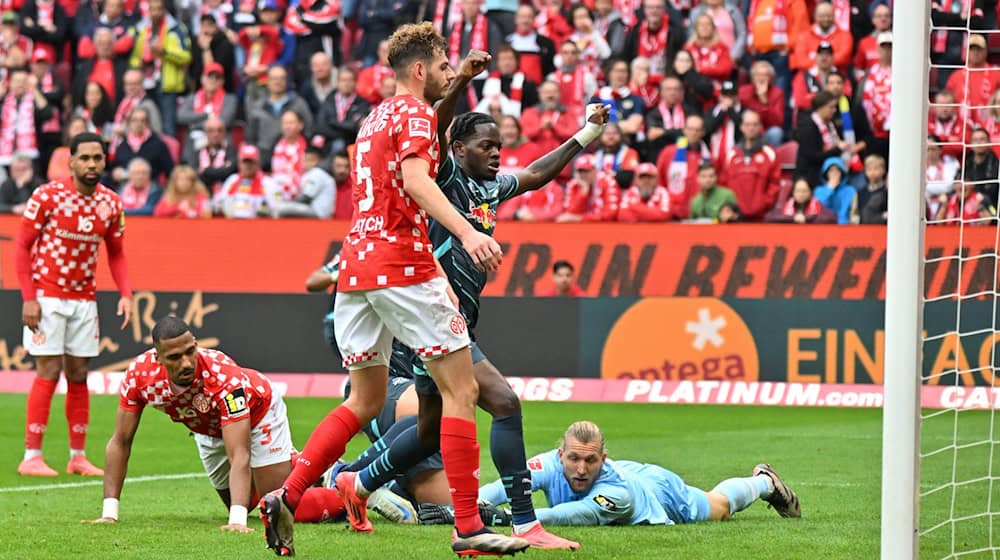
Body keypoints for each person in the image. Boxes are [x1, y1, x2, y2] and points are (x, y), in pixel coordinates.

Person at [325, 49, 609, 552]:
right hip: (428, 319)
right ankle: (525, 523)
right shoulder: (445, 178)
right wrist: (459, 85)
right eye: (486, 145)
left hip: (446, 323)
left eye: (500, 146)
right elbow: (434, 126)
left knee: (432, 431)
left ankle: (357, 482)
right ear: (457, 149)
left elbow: (538, 172)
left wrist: (585, 133)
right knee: (503, 401)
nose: (498, 153)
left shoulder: (488, 187)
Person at [258, 24, 523, 558]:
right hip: (403, 263)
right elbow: (417, 180)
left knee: (365, 399)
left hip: (354, 267)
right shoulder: (419, 115)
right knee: (462, 391)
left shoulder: (373, 117)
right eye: (445, 65)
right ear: (421, 70)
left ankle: (288, 494)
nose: (450, 73)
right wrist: (470, 232)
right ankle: (469, 528)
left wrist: (461, 81)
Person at [84, 316, 346, 529]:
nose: (186, 363)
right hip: (207, 428)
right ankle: (312, 469)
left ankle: (349, 491)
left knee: (276, 504)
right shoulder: (140, 377)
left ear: (196, 344)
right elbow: (120, 441)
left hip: (257, 412)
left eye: (190, 352)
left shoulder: (222, 377)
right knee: (240, 499)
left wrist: (237, 522)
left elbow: (239, 453)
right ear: (158, 358)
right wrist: (109, 514)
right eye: (175, 357)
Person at [15, 132, 133, 477]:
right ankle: (31, 455)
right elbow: (22, 247)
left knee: (79, 373)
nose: (92, 164)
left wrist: (126, 293)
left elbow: (117, 252)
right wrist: (29, 298)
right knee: (48, 370)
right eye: (85, 158)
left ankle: (77, 456)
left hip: (84, 299)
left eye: (98, 158)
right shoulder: (48, 196)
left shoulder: (110, 203)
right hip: (47, 296)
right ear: (71, 161)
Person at [421, 421, 800, 526]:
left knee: (717, 507)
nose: (580, 469)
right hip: (631, 474)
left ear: (604, 459)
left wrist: (507, 519)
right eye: (573, 459)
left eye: (590, 461)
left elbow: (573, 514)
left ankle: (764, 482)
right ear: (561, 454)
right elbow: (506, 485)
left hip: (656, 491)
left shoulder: (618, 493)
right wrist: (467, 507)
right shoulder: (550, 462)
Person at [765, 177, 836, 224]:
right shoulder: (786, 207)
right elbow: (769, 217)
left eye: (804, 191)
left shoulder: (817, 206)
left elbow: (831, 218)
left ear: (810, 193)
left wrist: (806, 218)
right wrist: (793, 218)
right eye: (798, 191)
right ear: (793, 193)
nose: (801, 194)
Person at [813, 157, 858, 225]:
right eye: (831, 170)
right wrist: (830, 189)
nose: (834, 173)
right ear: (826, 173)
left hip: (844, 226)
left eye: (837, 170)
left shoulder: (850, 190)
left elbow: (854, 212)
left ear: (842, 173)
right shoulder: (818, 190)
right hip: (824, 226)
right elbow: (818, 209)